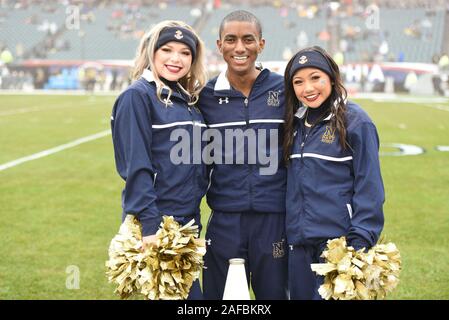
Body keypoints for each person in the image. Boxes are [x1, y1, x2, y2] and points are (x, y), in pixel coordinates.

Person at [110, 20, 208, 299]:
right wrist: (151, 226)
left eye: (185, 52)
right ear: (151, 52)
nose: (176, 59)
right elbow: (136, 168)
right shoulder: (137, 97)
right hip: (157, 223)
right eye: (167, 49)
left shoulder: (187, 101)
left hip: (186, 222)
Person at [198, 10, 288, 300]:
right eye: (231, 40)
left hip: (275, 220)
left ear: (261, 44)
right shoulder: (206, 97)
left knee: (275, 296)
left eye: (248, 39)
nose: (240, 48)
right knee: (220, 299)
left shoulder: (285, 89)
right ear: (219, 45)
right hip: (225, 219)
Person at [283, 46, 385, 300]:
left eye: (315, 78)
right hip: (299, 245)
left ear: (331, 77)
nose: (307, 88)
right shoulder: (293, 124)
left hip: (339, 247)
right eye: (298, 81)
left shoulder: (356, 121)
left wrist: (358, 242)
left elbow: (370, 187)